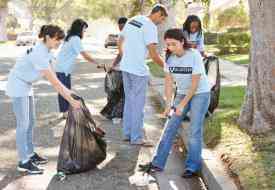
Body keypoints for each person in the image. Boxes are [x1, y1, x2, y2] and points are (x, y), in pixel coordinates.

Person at [6, 25, 81, 175]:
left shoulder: (46, 51)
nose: (59, 42)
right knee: (23, 124)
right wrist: (70, 100)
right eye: (57, 39)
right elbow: (54, 82)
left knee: (31, 122)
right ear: (47, 37)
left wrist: (69, 93)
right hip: (18, 85)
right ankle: (23, 161)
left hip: (26, 85)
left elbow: (56, 76)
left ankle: (30, 154)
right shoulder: (39, 53)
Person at [139, 28, 210, 178]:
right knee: (169, 127)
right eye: (168, 45)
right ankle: (157, 163)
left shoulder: (194, 55)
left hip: (200, 93)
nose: (171, 47)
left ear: (182, 41)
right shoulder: (170, 59)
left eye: (174, 44)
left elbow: (195, 84)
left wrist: (182, 105)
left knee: (194, 131)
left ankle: (192, 167)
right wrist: (168, 105)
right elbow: (169, 83)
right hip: (182, 92)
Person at [118, 4, 168, 146]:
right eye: (162, 18)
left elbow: (119, 40)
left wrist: (125, 57)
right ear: (157, 13)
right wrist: (168, 67)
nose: (161, 22)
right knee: (138, 105)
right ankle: (136, 138)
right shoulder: (150, 26)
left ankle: (127, 134)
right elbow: (153, 54)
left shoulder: (134, 19)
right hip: (138, 71)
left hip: (126, 68)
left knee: (129, 102)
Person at [55, 19, 99, 119]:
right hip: (63, 68)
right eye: (84, 29)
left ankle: (65, 111)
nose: (84, 31)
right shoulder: (75, 39)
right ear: (79, 29)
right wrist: (97, 63)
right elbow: (84, 54)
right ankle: (65, 112)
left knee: (64, 90)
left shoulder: (70, 37)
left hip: (61, 67)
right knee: (65, 91)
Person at [100, 16, 128, 121]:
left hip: (127, 69)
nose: (121, 29)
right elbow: (120, 54)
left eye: (122, 27)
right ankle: (114, 113)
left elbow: (121, 54)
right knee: (116, 92)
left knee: (120, 93)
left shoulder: (129, 36)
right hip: (121, 69)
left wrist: (114, 66)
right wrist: (113, 65)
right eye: (119, 27)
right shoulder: (123, 35)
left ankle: (117, 113)